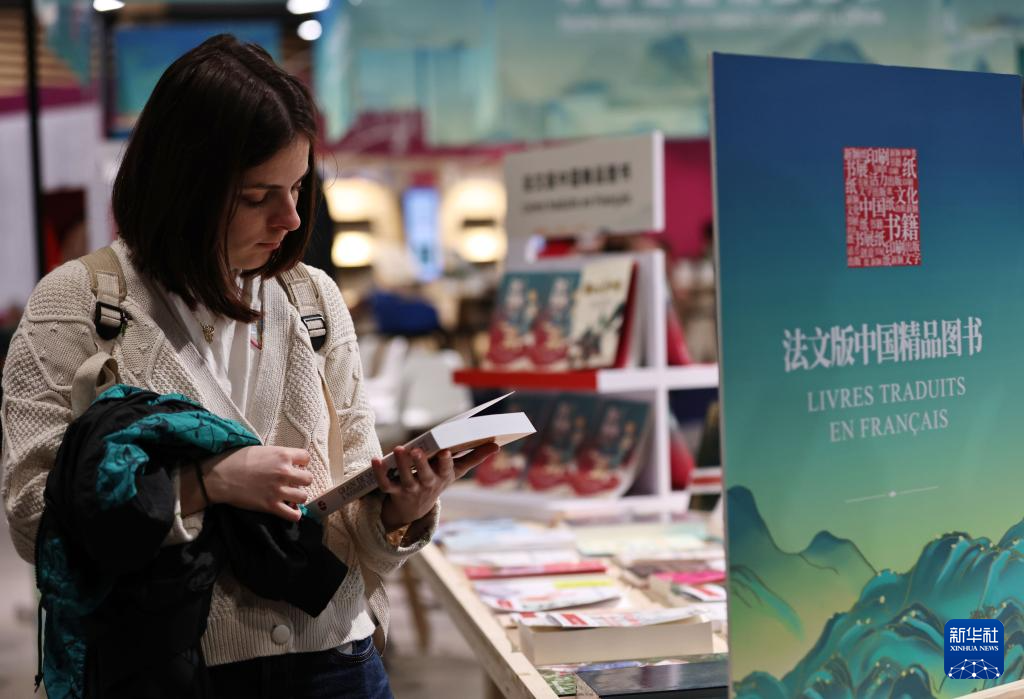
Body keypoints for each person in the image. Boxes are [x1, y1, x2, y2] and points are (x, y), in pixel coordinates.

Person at [0, 34, 496, 698]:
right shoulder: (77, 304)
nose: (290, 218)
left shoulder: (313, 300)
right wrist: (208, 484)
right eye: (258, 196)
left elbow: (352, 532)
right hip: (167, 671)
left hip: (335, 663)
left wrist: (401, 510)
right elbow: (36, 519)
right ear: (184, 186)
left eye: (297, 187)